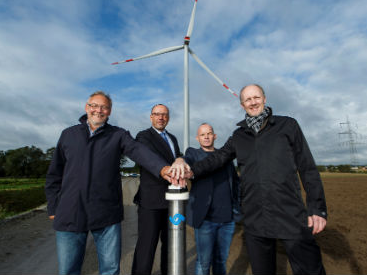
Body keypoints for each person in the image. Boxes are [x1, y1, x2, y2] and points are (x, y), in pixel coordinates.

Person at [180, 84, 328, 275]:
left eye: (256, 97)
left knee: (310, 269)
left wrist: (317, 209)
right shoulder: (239, 136)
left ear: (264, 99)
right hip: (255, 217)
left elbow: (307, 167)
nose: (253, 102)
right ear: (242, 105)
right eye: (248, 99)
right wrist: (191, 171)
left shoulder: (287, 125)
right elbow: (217, 158)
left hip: (290, 213)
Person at [45, 92, 181, 275]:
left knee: (110, 269)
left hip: (106, 214)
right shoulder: (68, 135)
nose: (98, 110)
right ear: (86, 107)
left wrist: (163, 169)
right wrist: (53, 208)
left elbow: (138, 151)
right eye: (94, 106)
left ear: (109, 111)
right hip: (71, 213)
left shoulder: (118, 135)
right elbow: (54, 174)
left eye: (104, 107)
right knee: (68, 270)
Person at [131, 104, 182, 275]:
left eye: (164, 114)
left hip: (172, 202)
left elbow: (177, 157)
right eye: (157, 114)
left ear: (168, 117)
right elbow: (150, 158)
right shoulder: (143, 136)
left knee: (170, 247)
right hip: (151, 202)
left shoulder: (173, 138)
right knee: (146, 248)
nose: (161, 117)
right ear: (151, 117)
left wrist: (182, 159)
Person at [184, 123, 241, 275]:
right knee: (203, 262)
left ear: (215, 136)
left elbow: (236, 183)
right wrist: (179, 161)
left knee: (221, 261)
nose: (207, 136)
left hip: (228, 219)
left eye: (209, 133)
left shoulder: (225, 155)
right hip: (205, 219)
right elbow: (185, 161)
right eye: (203, 134)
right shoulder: (193, 153)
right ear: (197, 138)